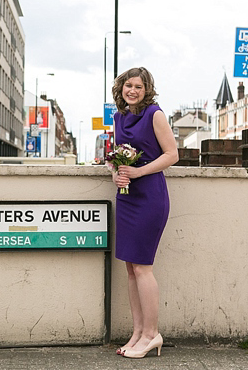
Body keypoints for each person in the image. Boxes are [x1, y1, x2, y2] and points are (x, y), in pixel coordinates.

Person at [111, 67, 178, 359]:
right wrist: (116, 174)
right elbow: (114, 156)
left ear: (147, 89)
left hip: (150, 195)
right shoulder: (119, 117)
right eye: (128, 85)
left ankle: (152, 334)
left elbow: (172, 154)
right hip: (126, 196)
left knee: (142, 267)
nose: (133, 90)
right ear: (121, 88)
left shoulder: (155, 114)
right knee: (130, 267)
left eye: (139, 86)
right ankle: (138, 332)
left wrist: (137, 172)